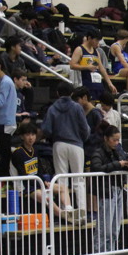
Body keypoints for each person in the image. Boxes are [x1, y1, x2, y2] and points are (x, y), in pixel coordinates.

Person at [9, 121, 82, 222]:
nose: (31, 137)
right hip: (26, 187)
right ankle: (66, 217)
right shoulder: (18, 153)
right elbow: (23, 174)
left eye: (33, 134)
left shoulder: (35, 150)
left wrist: (44, 181)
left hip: (38, 183)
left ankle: (69, 209)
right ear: (22, 136)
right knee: (46, 197)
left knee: (63, 188)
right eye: (27, 135)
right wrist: (40, 184)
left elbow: (38, 169)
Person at [89, 123, 128, 255]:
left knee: (114, 230)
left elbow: (127, 165)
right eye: (114, 140)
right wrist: (117, 164)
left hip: (118, 190)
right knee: (104, 230)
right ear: (106, 138)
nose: (116, 142)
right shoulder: (98, 152)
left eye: (118, 140)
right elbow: (97, 168)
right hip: (106, 192)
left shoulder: (118, 150)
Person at [42, 82, 91, 210]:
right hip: (76, 145)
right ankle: (82, 210)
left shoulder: (52, 108)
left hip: (59, 144)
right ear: (72, 93)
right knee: (78, 179)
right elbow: (85, 128)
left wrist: (53, 136)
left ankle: (65, 209)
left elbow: (46, 129)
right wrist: (82, 138)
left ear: (57, 93)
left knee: (61, 178)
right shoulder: (77, 107)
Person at [70, 29, 117, 100]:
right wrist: (87, 67)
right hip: (85, 83)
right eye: (96, 40)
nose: (97, 43)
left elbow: (101, 68)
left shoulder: (96, 52)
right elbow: (72, 65)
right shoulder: (79, 49)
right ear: (89, 38)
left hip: (97, 83)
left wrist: (110, 83)